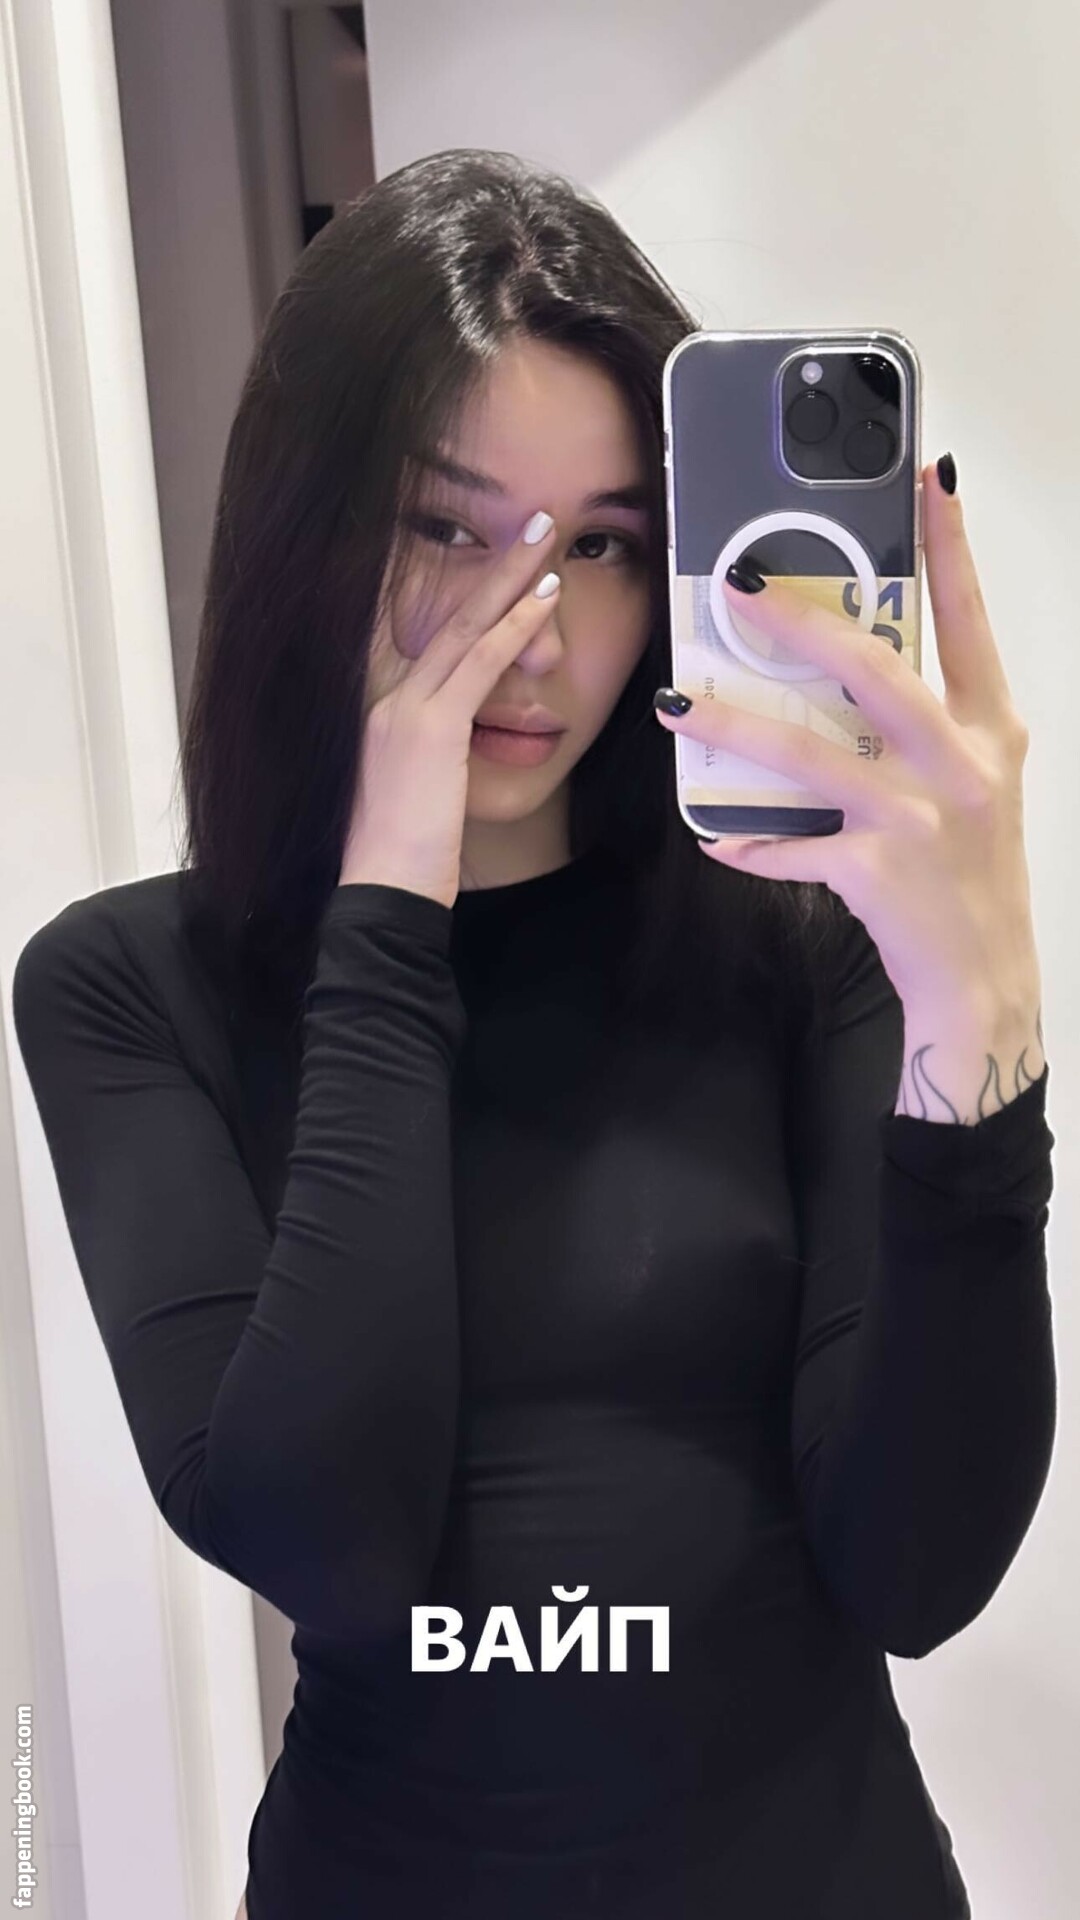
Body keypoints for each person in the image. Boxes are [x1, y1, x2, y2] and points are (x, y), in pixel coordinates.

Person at [12, 149, 1055, 1920]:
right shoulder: (129, 988)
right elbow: (328, 1540)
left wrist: (983, 1017)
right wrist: (388, 915)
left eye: (603, 545)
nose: (539, 632)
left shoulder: (799, 950)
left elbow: (918, 1573)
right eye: (447, 528)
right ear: (308, 530)